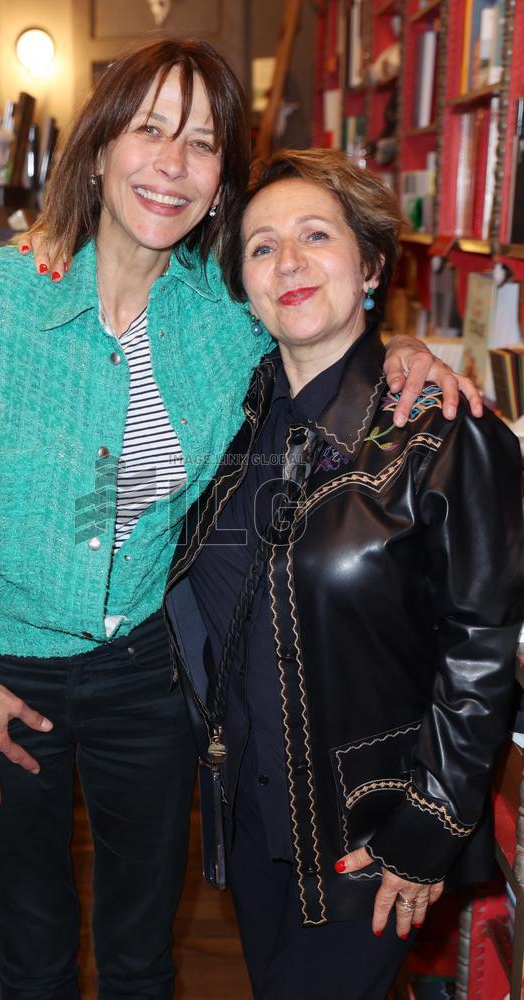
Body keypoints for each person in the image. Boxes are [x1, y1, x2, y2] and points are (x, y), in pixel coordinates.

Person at [0, 40, 481, 1000]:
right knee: (29, 951)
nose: (171, 162)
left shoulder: (226, 315)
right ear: (99, 148)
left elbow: (322, 315)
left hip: (151, 678)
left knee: (140, 953)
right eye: (149, 129)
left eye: (201, 142)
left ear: (218, 186)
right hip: (2, 671)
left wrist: (405, 347)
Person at [163, 147, 524, 1000]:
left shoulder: (446, 431)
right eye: (261, 247)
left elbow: (481, 652)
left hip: (370, 829)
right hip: (252, 816)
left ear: (369, 265)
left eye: (315, 236)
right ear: (244, 286)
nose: (288, 262)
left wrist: (427, 830)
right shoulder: (226, 415)